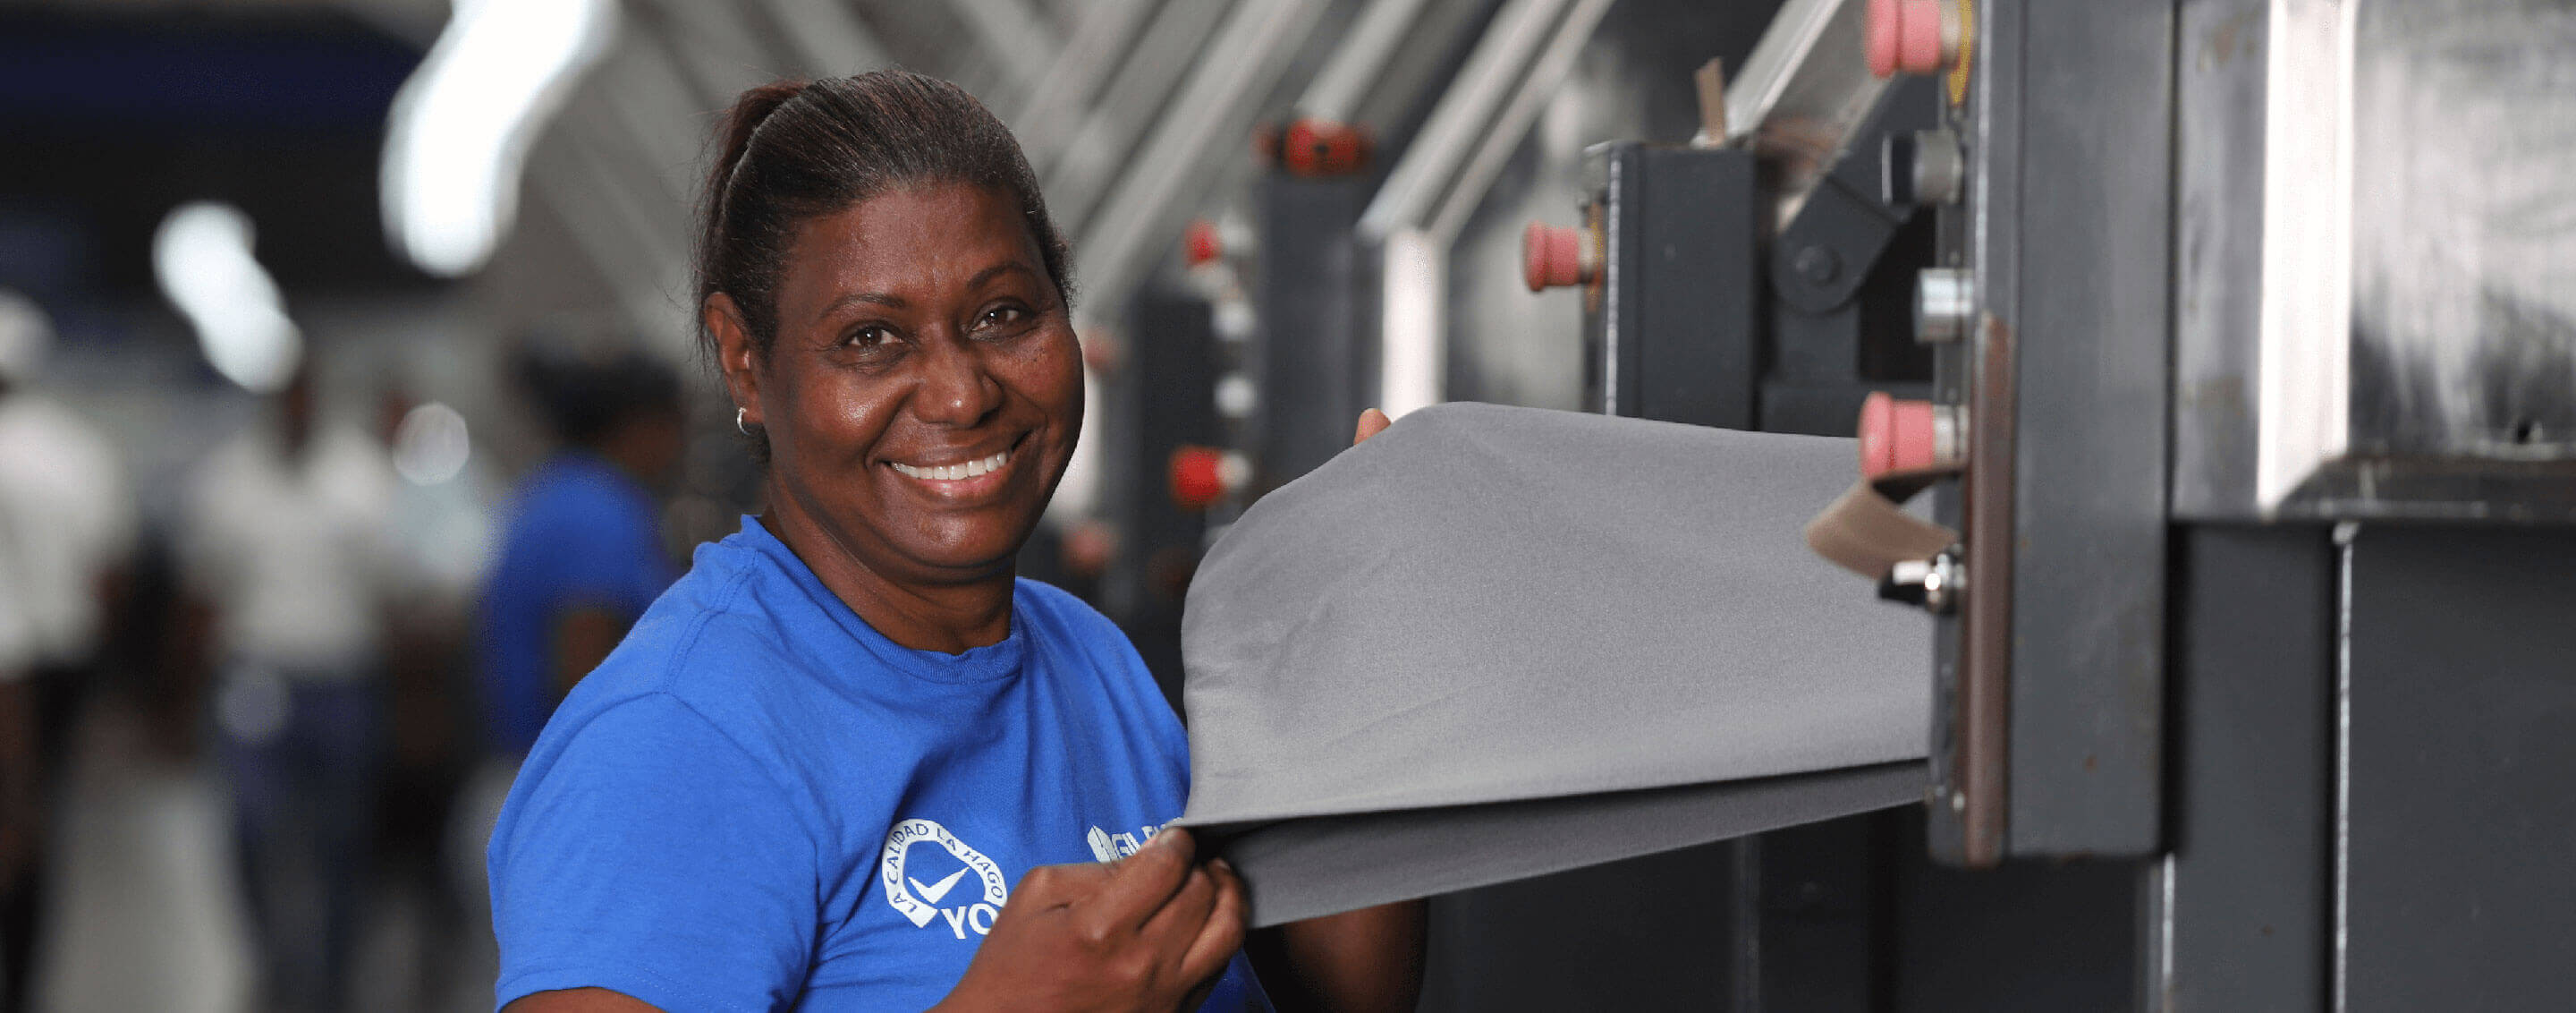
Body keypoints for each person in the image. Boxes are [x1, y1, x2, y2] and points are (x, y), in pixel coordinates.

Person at [487, 71, 1421, 1012]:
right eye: (870, 339)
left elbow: (1337, 1002)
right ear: (743, 359)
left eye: (1002, 315)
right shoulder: (676, 735)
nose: (962, 393)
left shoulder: (1087, 658)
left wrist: (1372, 656)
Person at [181, 362, 402, 1013]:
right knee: (249, 827)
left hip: (343, 682)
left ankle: (333, 975)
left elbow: (391, 590)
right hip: (254, 682)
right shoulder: (227, 481)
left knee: (342, 838)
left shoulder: (362, 478)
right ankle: (273, 959)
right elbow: (202, 596)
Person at [0, 291, 137, 1013]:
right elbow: (108, 575)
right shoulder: (78, 451)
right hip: (57, 665)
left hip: (18, 666)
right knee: (32, 827)